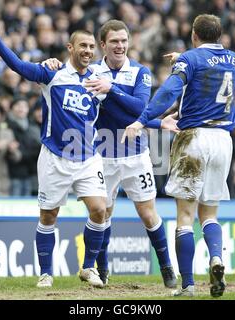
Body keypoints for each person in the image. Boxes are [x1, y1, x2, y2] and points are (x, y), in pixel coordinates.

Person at [43, 19, 178, 288]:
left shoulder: (140, 72)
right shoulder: (90, 71)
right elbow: (64, 78)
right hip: (102, 155)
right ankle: (102, 271)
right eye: (114, 41)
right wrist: (51, 62)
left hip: (136, 154)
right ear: (102, 45)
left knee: (148, 213)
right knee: (103, 213)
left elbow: (139, 107)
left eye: (124, 41)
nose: (120, 46)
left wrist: (112, 92)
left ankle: (166, 268)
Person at [0, 15, 108, 288]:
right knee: (48, 216)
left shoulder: (100, 82)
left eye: (91, 46)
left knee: (100, 210)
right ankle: (46, 273)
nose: (88, 50)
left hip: (88, 157)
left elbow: (123, 107)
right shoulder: (52, 74)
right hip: (55, 157)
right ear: (70, 47)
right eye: (83, 46)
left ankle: (88, 267)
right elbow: (17, 66)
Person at [122, 14, 235, 297]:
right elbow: (208, 70)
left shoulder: (190, 59)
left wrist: (142, 119)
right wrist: (184, 59)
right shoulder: (233, 59)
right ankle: (216, 258)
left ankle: (187, 285)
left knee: (185, 216)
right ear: (219, 35)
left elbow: (169, 91)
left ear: (194, 35)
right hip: (223, 139)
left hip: (194, 139)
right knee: (209, 213)